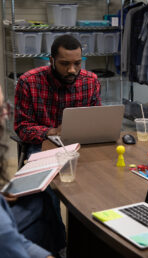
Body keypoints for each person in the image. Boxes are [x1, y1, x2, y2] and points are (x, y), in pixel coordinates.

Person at [14, 34, 101, 157]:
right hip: (42, 143)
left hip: (80, 142)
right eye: (64, 64)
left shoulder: (91, 81)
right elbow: (22, 128)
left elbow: (97, 120)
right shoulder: (28, 82)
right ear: (51, 61)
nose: (72, 70)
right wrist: (53, 132)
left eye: (77, 63)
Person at [0, 86, 54, 258]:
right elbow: (8, 239)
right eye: (2, 109)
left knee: (37, 198)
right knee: (41, 204)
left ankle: (57, 247)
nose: (6, 115)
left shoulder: (89, 81)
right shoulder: (30, 82)